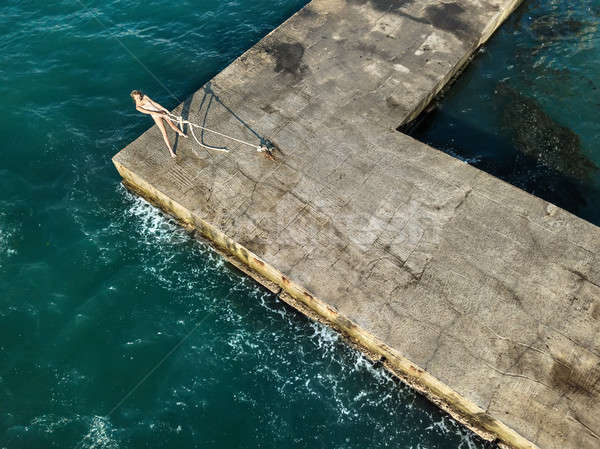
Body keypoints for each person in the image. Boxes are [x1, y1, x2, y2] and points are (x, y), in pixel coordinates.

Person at [130, 90, 187, 158]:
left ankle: (181, 133)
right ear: (134, 98)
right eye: (136, 98)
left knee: (172, 125)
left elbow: (155, 104)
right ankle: (171, 151)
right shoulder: (138, 107)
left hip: (161, 111)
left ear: (140, 95)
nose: (139, 98)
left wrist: (165, 109)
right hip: (156, 116)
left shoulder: (145, 97)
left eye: (139, 97)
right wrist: (162, 115)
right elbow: (150, 112)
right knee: (164, 133)